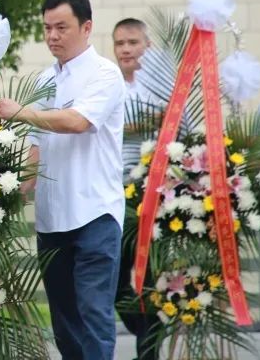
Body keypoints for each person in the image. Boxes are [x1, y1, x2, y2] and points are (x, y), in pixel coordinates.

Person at [0, 0, 125, 360]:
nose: (52, 36)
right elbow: (35, 152)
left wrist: (22, 112)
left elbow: (78, 122)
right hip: (52, 219)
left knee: (94, 315)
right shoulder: (43, 81)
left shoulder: (105, 74)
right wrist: (6, 197)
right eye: (47, 28)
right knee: (65, 325)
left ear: (86, 27)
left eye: (61, 27)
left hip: (96, 214)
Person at [111, 18, 161, 360]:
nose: (126, 49)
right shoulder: (109, 84)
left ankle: (148, 353)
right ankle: (148, 332)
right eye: (120, 43)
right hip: (118, 194)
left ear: (148, 46)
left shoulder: (162, 88)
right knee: (116, 284)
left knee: (152, 281)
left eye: (133, 42)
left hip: (155, 193)